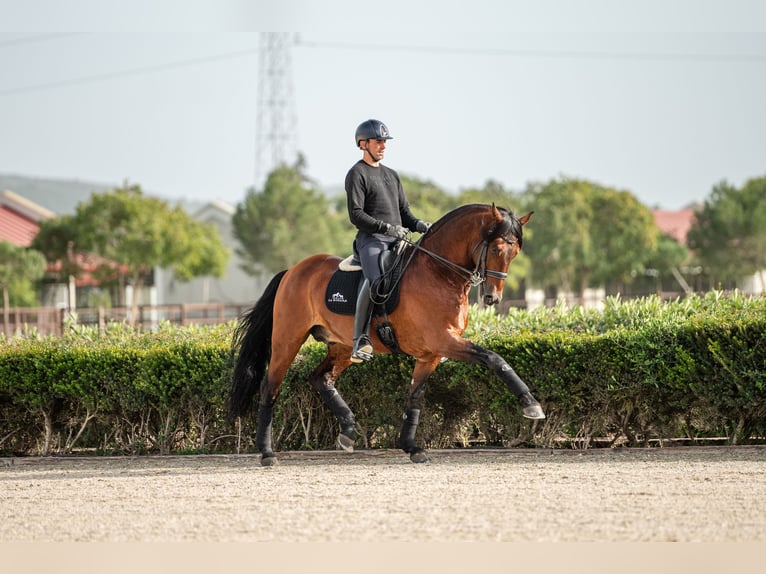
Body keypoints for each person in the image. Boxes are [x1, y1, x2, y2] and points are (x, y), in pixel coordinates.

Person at [345, 119, 430, 363]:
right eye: (378, 141)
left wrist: (419, 224)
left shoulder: (392, 175)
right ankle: (360, 339)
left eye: (385, 141)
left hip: (397, 240)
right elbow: (356, 215)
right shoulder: (357, 174)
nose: (383, 146)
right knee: (377, 281)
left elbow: (404, 212)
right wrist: (387, 228)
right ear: (363, 144)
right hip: (371, 241)